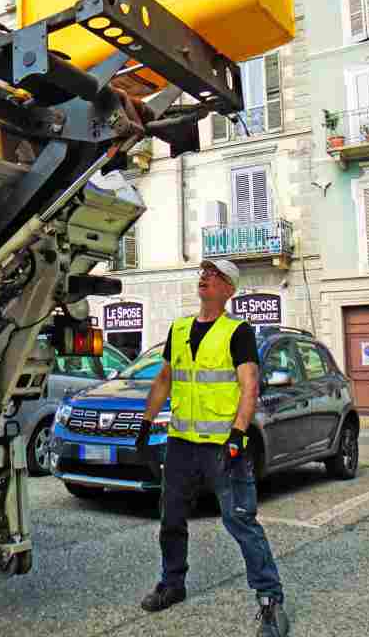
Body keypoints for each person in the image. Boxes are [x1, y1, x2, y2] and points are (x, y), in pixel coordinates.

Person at [135, 258, 289, 637]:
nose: (205, 278)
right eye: (203, 273)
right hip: (182, 443)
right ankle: (173, 583)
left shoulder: (237, 331)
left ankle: (270, 601)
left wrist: (238, 434)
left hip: (223, 445)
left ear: (229, 289)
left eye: (214, 275)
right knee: (171, 516)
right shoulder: (180, 328)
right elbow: (165, 379)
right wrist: (144, 423)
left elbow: (249, 385)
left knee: (239, 520)